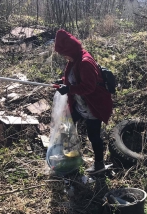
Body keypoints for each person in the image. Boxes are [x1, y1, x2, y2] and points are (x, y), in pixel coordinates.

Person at [54, 29, 113, 174]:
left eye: (64, 54)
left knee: (94, 136)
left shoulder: (85, 62)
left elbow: (89, 87)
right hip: (80, 105)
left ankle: (99, 164)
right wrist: (62, 82)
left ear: (70, 50)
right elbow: (73, 78)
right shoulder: (74, 59)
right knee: (66, 126)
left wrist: (68, 89)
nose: (64, 57)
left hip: (94, 106)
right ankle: (70, 156)